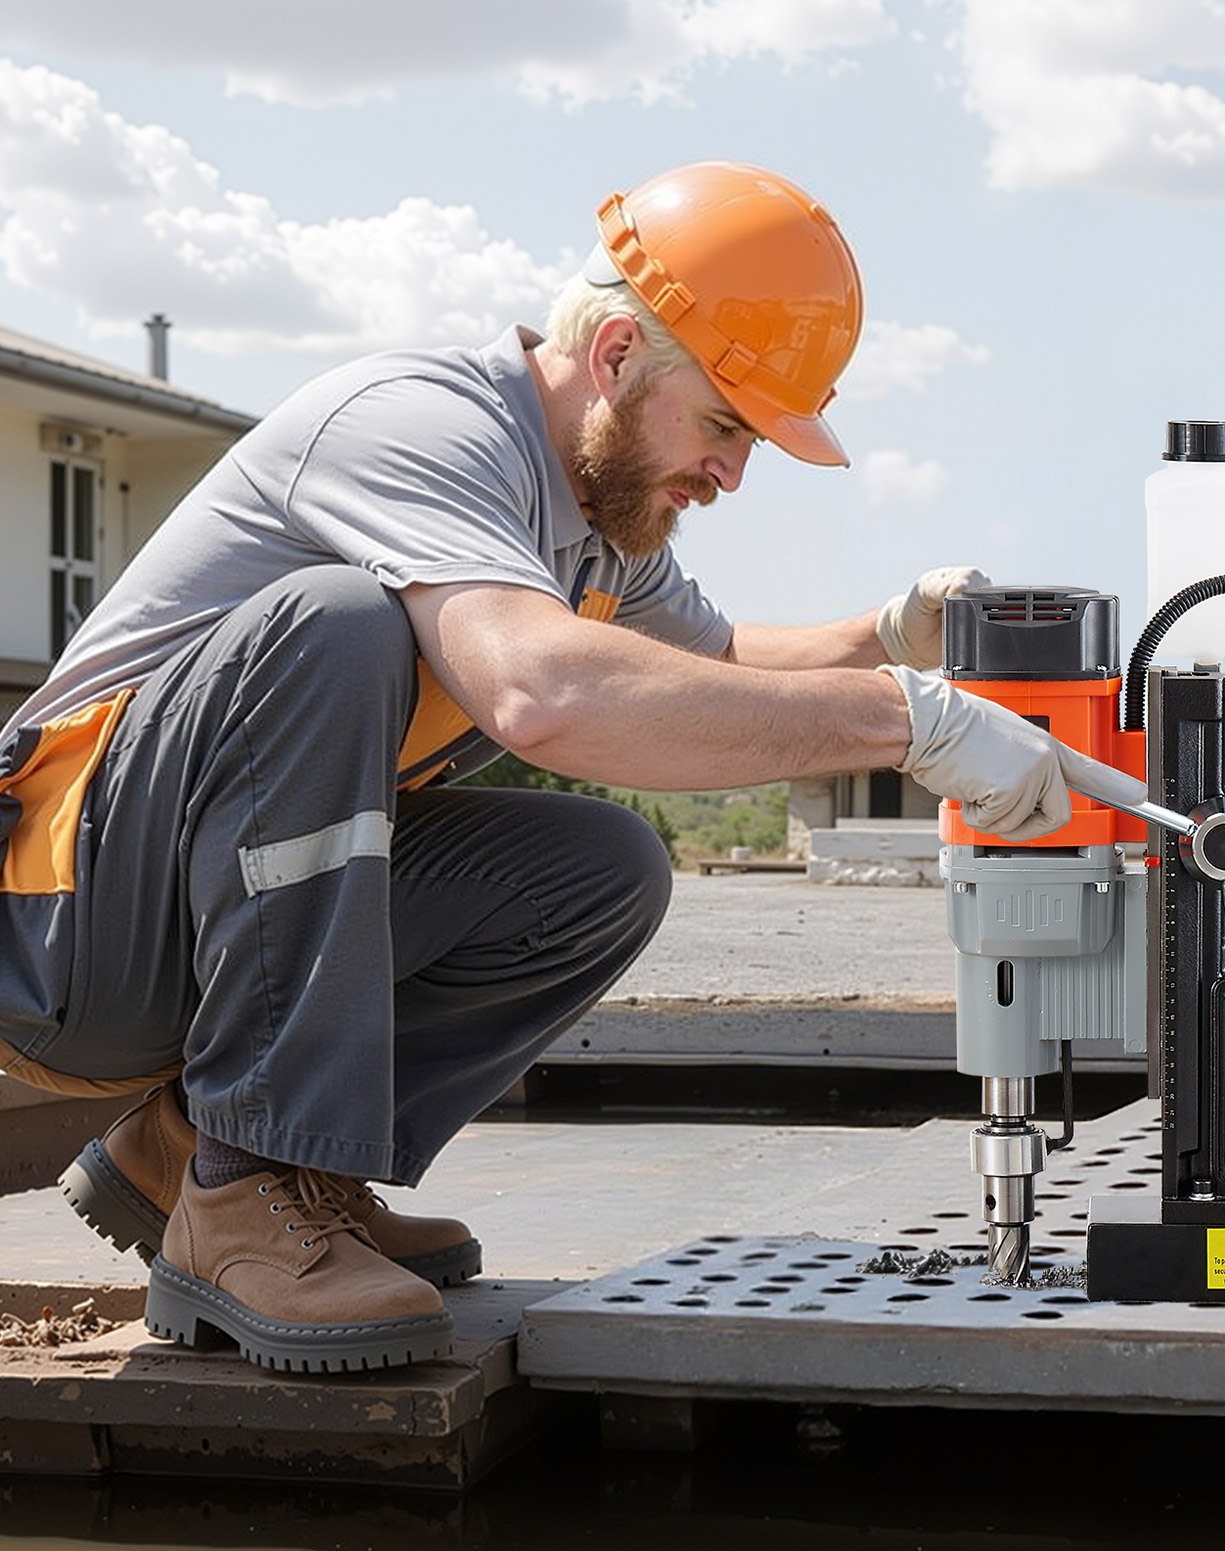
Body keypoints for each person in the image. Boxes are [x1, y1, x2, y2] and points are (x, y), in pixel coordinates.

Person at [0, 160, 1132, 1374]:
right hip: (63, 920)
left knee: (600, 868)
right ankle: (239, 1193)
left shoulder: (599, 518)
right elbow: (542, 690)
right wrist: (898, 722)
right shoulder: (419, 427)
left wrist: (891, 631)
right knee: (338, 623)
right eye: (723, 426)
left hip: (181, 923)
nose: (733, 475)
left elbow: (718, 660)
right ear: (613, 358)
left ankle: (221, 1157)